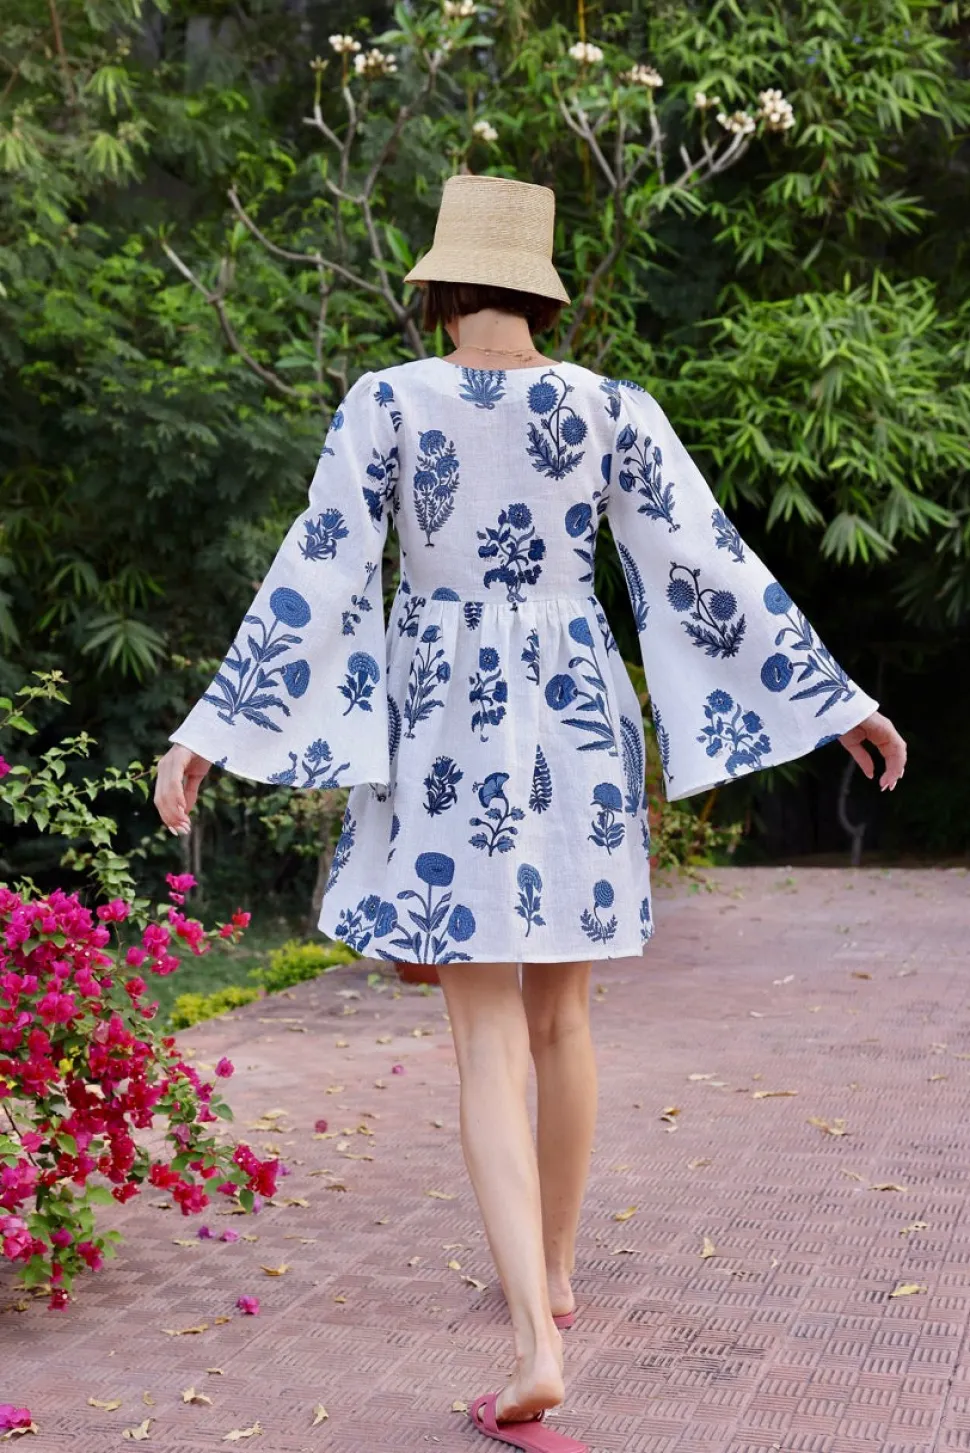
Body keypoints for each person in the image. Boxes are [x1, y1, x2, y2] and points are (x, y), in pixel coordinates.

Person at [155, 174, 906, 1453]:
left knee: (484, 1039)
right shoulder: (611, 406)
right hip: (577, 719)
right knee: (564, 1018)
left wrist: (210, 729)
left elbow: (319, 567)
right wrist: (837, 699)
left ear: (441, 286)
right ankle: (551, 1274)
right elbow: (704, 558)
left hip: (445, 723)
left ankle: (535, 1343)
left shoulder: (389, 400)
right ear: (542, 290)